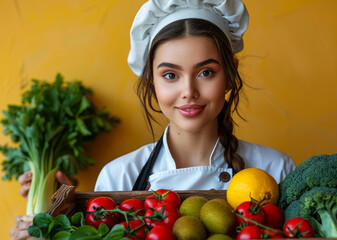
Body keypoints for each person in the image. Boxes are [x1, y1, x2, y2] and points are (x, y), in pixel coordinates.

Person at [11, 0, 295, 239]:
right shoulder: (117, 176)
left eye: (206, 72)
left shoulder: (277, 169)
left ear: (230, 74)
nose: (189, 92)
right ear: (151, 80)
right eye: (170, 75)